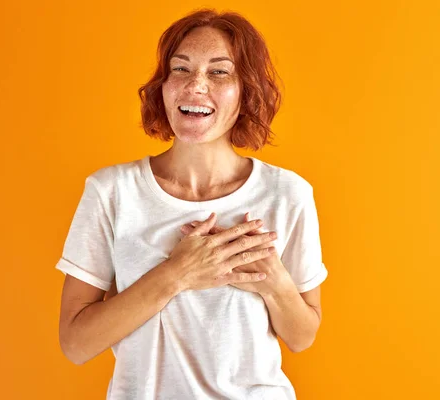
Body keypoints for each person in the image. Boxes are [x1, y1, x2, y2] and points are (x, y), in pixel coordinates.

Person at [55, 8, 328, 400]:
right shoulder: (111, 192)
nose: (195, 86)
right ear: (162, 86)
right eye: (180, 69)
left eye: (219, 72)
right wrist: (177, 273)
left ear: (246, 91)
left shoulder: (287, 193)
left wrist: (274, 281)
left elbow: (302, 337)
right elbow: (75, 343)